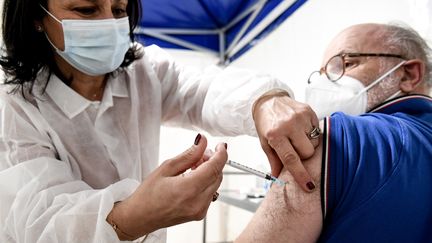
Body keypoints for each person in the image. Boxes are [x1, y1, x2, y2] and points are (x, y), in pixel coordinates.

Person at [0, 0, 321, 242]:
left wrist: (264, 102)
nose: (109, 23)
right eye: (86, 9)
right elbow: (39, 222)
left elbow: (202, 89)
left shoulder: (143, 69)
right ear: (36, 16)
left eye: (119, 8)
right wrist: (133, 216)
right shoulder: (14, 104)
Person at [237, 23, 432, 242]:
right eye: (323, 74)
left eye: (346, 63)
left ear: (408, 75)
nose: (324, 83)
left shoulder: (338, 136)